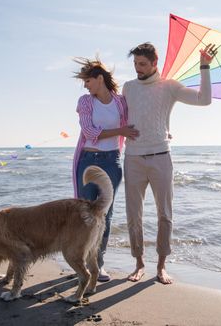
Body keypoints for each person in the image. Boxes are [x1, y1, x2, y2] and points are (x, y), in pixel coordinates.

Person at [122, 42, 216, 284]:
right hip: (132, 158)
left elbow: (204, 100)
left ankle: (161, 266)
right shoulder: (128, 87)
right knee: (134, 215)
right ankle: (139, 263)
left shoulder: (170, 86)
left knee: (165, 214)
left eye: (142, 64)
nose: (138, 69)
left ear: (155, 63)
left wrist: (205, 66)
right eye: (135, 64)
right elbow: (124, 116)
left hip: (161, 157)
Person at [72, 57, 139, 282]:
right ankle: (80, 263)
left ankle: (98, 264)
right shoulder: (85, 101)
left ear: (100, 79)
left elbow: (135, 121)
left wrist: (159, 131)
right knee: (85, 214)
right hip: (89, 159)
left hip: (112, 161)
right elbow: (90, 132)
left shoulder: (120, 102)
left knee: (105, 215)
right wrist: (120, 130)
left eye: (88, 80)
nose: (85, 85)